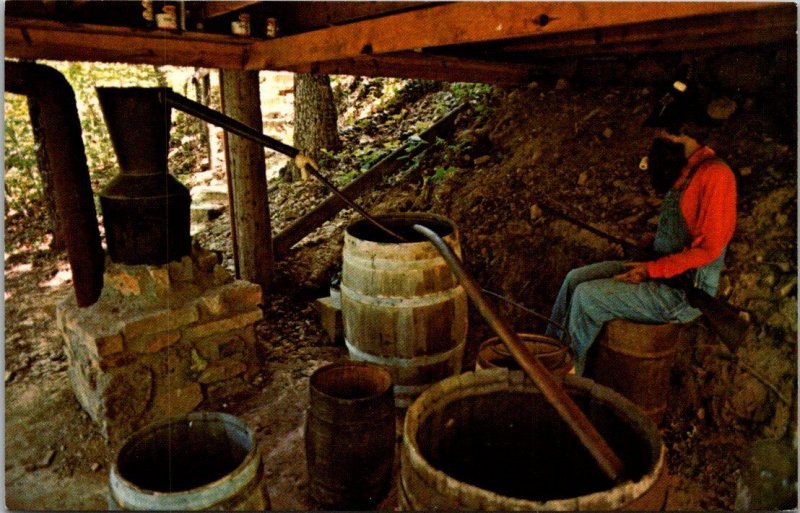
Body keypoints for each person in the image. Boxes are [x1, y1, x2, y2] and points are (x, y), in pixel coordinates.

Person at [545, 74, 737, 375]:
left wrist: (650, 270)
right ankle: (546, 358)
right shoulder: (686, 171)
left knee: (587, 298)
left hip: (681, 293)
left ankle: (564, 383)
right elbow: (680, 230)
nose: (659, 139)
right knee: (574, 280)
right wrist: (652, 248)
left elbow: (710, 249)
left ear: (685, 131)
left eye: (666, 131)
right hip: (662, 273)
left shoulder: (715, 175)